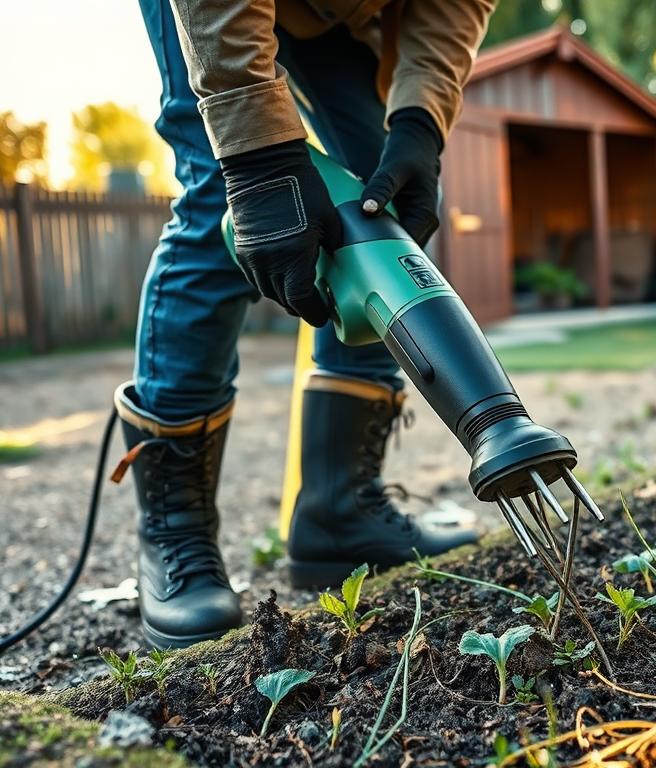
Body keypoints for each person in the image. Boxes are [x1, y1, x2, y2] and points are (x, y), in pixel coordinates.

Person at [120, 0, 495, 649]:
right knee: (220, 189)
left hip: (338, 17)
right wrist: (259, 162)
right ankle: (174, 530)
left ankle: (339, 509)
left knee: (379, 190)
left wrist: (419, 120)